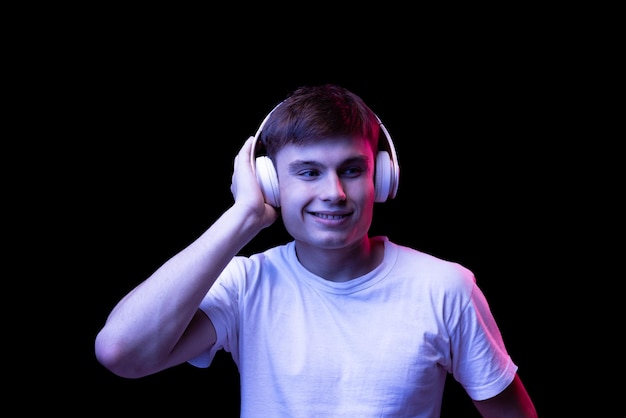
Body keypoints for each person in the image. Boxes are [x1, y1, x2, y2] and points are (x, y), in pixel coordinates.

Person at [95, 84, 537, 417]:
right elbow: (121, 353)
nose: (335, 192)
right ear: (270, 182)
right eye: (308, 172)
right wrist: (243, 216)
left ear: (381, 179)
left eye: (351, 170)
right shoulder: (247, 285)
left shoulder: (445, 288)